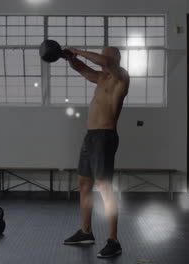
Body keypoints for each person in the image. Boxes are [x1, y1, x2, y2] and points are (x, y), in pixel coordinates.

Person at [62, 47, 130, 258]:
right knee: (84, 184)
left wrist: (78, 50)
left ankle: (114, 240)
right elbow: (83, 69)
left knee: (104, 187)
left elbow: (105, 62)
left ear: (116, 59)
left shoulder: (121, 77)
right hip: (90, 136)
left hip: (105, 136)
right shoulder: (101, 78)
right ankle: (86, 232)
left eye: (108, 56)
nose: (104, 59)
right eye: (104, 55)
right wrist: (70, 58)